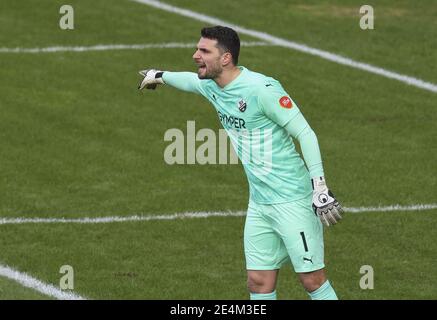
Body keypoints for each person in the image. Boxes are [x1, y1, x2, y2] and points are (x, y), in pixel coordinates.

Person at [138, 26, 343, 300]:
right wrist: (159, 76)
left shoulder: (262, 89)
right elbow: (187, 80)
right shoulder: (212, 86)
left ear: (225, 58)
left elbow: (305, 133)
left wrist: (319, 187)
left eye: (203, 51)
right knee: (258, 282)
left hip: (293, 199)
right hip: (259, 203)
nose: (195, 55)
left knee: (312, 280)